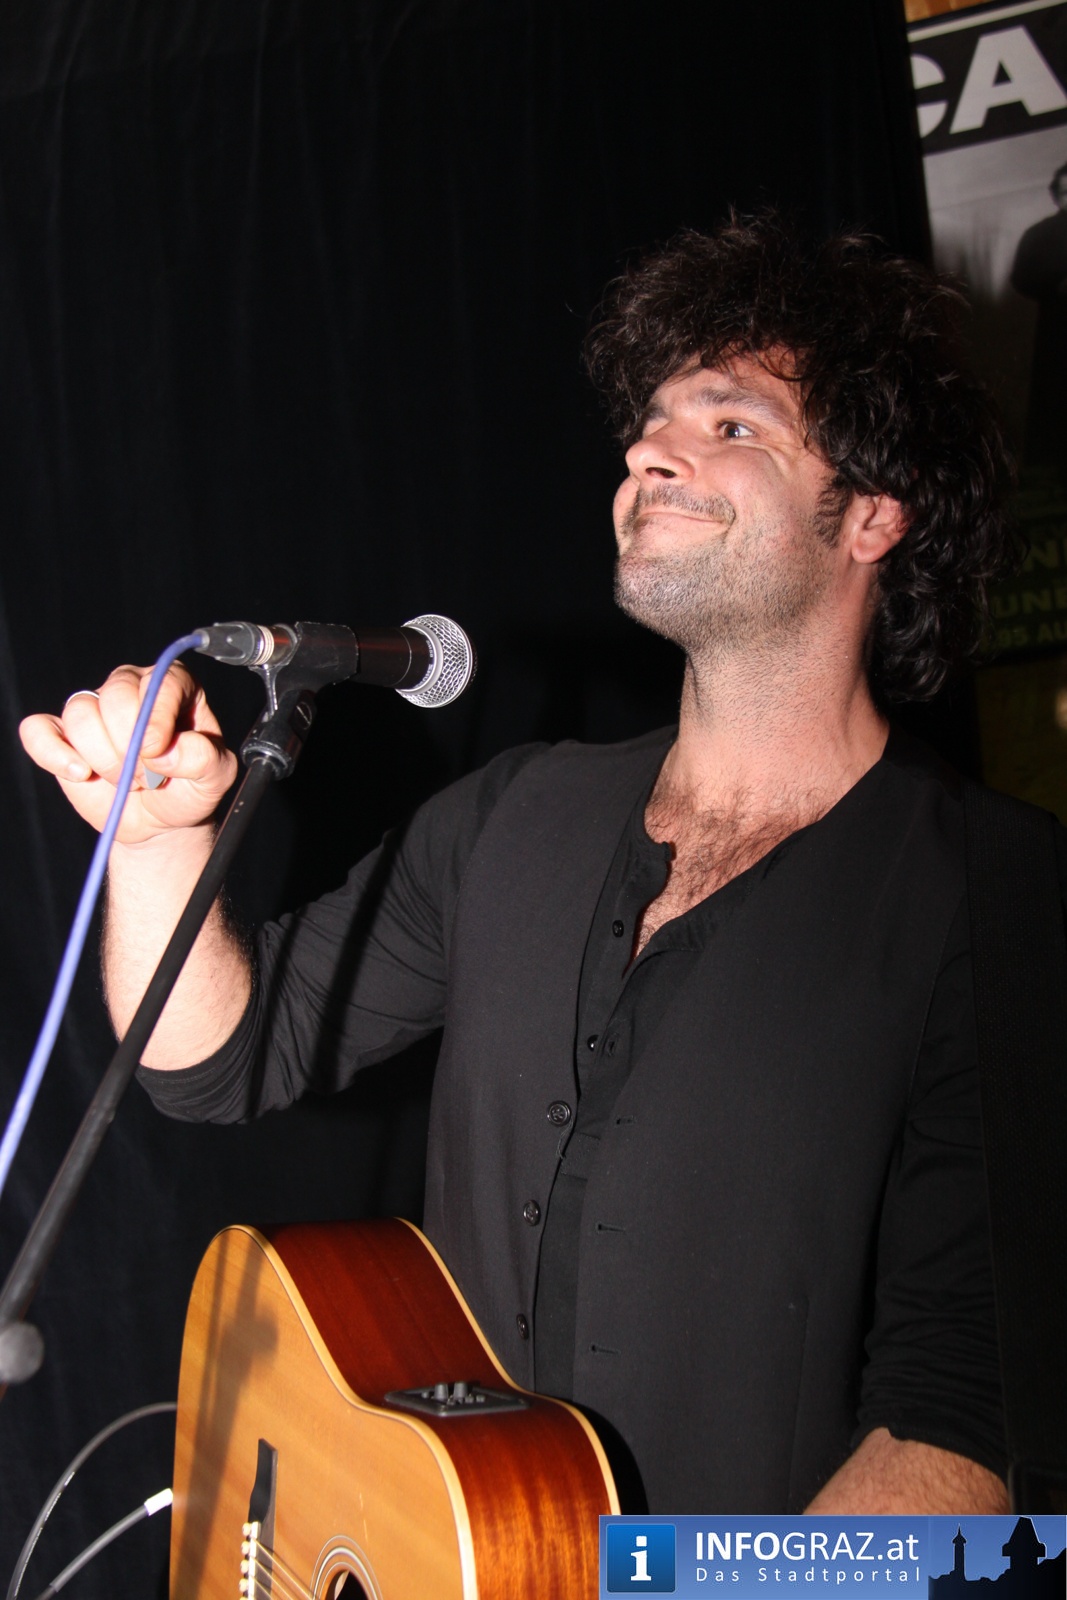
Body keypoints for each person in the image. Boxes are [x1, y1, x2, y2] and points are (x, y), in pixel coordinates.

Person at [20, 214, 1024, 1515]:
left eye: (728, 423)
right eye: (647, 423)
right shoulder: (512, 813)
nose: (647, 450)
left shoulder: (991, 895)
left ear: (871, 514)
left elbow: (966, 1419)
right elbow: (216, 1057)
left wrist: (665, 1592)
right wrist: (161, 838)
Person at [1010, 160, 1067, 471]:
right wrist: (1056, 285)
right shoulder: (1040, 234)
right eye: (1066, 192)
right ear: (1056, 196)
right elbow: (1022, 277)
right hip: (1058, 329)